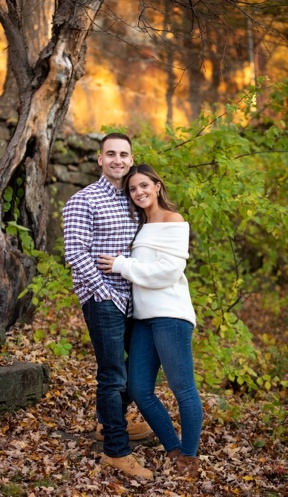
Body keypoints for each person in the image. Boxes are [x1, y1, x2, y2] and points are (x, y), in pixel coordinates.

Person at [96, 164, 202, 478]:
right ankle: (172, 446)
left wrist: (121, 265)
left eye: (144, 186)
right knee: (140, 389)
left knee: (183, 389)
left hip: (171, 314)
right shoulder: (139, 225)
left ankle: (190, 455)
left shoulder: (175, 221)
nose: (139, 192)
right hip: (142, 318)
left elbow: (169, 272)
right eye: (132, 189)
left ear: (157, 185)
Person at [62, 132, 156, 479]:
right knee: (113, 374)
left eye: (124, 154)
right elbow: (75, 253)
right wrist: (104, 292)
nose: (118, 160)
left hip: (136, 299)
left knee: (143, 369)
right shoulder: (82, 201)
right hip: (102, 299)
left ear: (132, 159)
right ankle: (115, 450)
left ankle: (109, 420)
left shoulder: (134, 200)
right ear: (100, 159)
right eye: (111, 154)